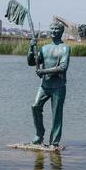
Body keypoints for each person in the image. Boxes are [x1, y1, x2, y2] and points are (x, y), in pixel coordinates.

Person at [27, 21, 71, 149]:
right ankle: (39, 135)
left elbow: (63, 67)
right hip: (45, 85)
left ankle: (54, 142)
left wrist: (43, 71)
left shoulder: (65, 48)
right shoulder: (45, 48)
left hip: (58, 86)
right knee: (35, 106)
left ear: (61, 31)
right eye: (52, 29)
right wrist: (31, 48)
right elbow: (31, 62)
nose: (53, 31)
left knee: (56, 114)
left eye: (56, 29)